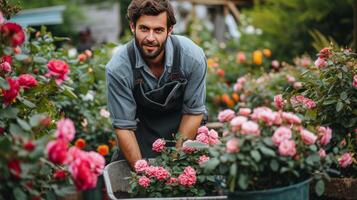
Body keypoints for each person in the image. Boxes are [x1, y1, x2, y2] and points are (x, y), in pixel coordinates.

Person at [105, 0, 207, 168]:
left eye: (158, 30)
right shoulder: (118, 68)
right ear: (132, 26)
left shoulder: (192, 57)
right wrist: (144, 174)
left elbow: (193, 112)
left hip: (184, 127)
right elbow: (124, 127)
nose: (150, 38)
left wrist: (176, 164)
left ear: (170, 30)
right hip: (140, 134)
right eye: (144, 29)